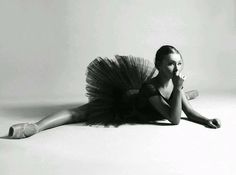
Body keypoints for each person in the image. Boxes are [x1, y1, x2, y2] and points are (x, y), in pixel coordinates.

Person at [8, 45, 221, 139]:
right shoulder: (149, 87)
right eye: (170, 64)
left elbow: (189, 112)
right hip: (124, 104)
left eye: (179, 63)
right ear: (158, 64)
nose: (176, 69)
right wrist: (180, 90)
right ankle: (35, 127)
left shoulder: (175, 85)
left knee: (184, 97)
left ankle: (191, 93)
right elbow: (175, 119)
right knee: (78, 113)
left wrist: (205, 120)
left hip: (152, 99)